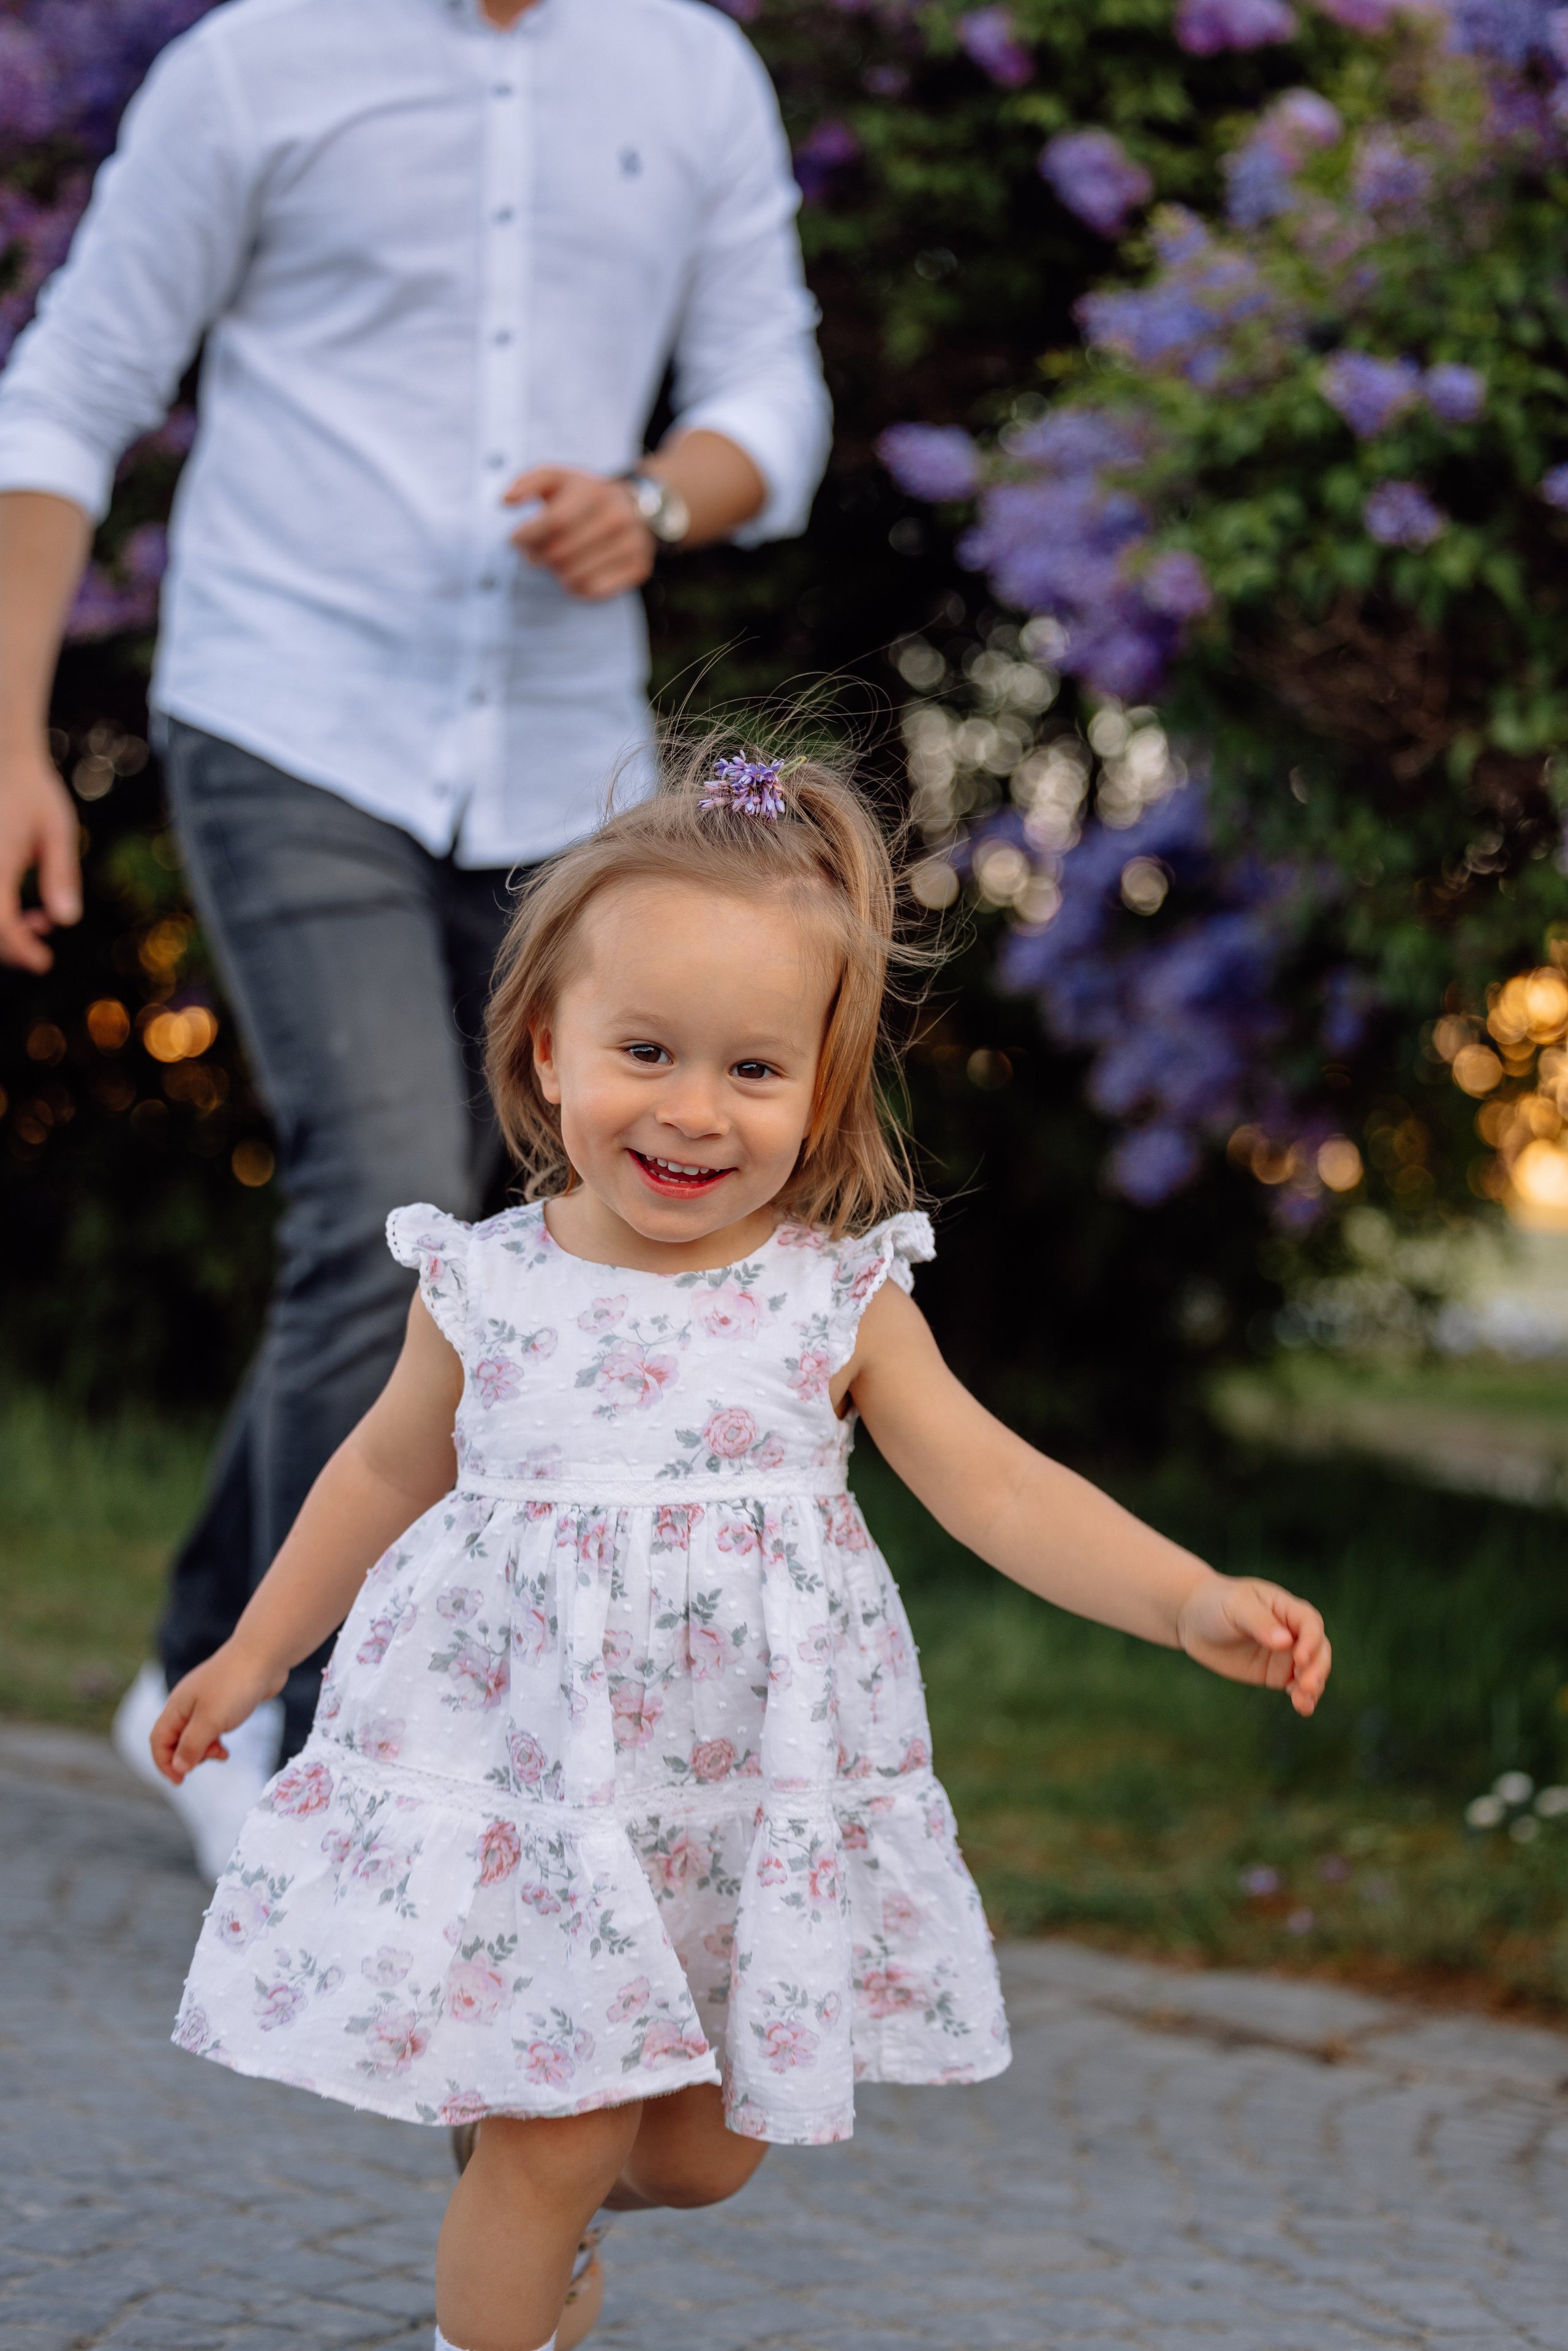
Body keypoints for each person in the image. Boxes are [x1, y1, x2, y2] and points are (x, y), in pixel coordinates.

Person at [150, 739, 1333, 2351]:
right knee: (559, 2137)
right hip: (539, 1786)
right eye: (645, 1050)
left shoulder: (835, 1298)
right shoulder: (487, 1283)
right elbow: (376, 1473)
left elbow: (996, 1488)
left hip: (732, 1807)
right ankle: (512, 2255)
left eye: (755, 1070)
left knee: (701, 2160)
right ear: (548, 1049)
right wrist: (253, 1652)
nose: (694, 1111)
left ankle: (535, 2179)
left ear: (822, 1092)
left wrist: (1186, 1598)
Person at [0, 0, 831, 1877]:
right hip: (287, 709)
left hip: (563, 758)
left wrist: (653, 501)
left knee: (532, 1233)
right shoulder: (257, 63)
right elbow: (69, 387)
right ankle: (313, 1766)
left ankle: (194, 1665)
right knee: (385, 1204)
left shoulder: (689, 69)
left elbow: (773, 399)